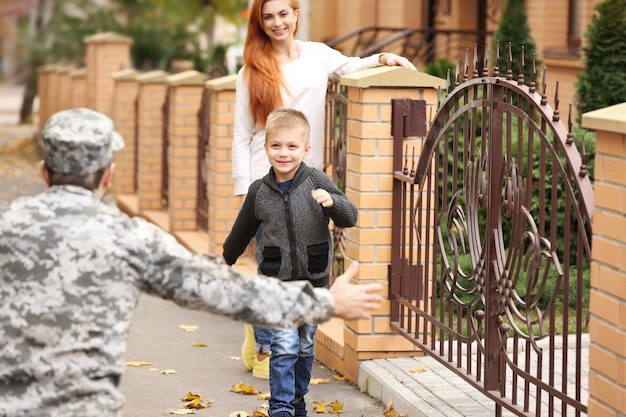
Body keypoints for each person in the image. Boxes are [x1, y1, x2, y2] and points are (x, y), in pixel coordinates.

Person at [0, 107, 383, 417]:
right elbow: (224, 291)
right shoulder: (131, 239)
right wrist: (328, 303)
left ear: (44, 172)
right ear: (108, 175)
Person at [232, 0, 417, 381]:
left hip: (306, 177)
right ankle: (268, 344)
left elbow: (353, 66)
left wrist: (383, 57)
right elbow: (242, 135)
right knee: (273, 263)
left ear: (296, 15)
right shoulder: (250, 72)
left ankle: (269, 335)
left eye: (284, 13)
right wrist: (243, 190)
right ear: (261, 23)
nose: (277, 22)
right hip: (263, 178)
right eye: (268, 16)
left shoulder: (317, 55)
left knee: (303, 260)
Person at [223, 108, 358, 417]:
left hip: (314, 282)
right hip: (276, 282)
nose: (283, 153)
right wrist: (224, 262)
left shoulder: (317, 180)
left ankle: (297, 399)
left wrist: (331, 201)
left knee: (304, 348)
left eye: (292, 146)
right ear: (266, 148)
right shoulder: (259, 191)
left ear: (305, 150)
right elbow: (241, 230)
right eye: (276, 146)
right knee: (284, 348)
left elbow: (350, 216)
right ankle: (280, 406)